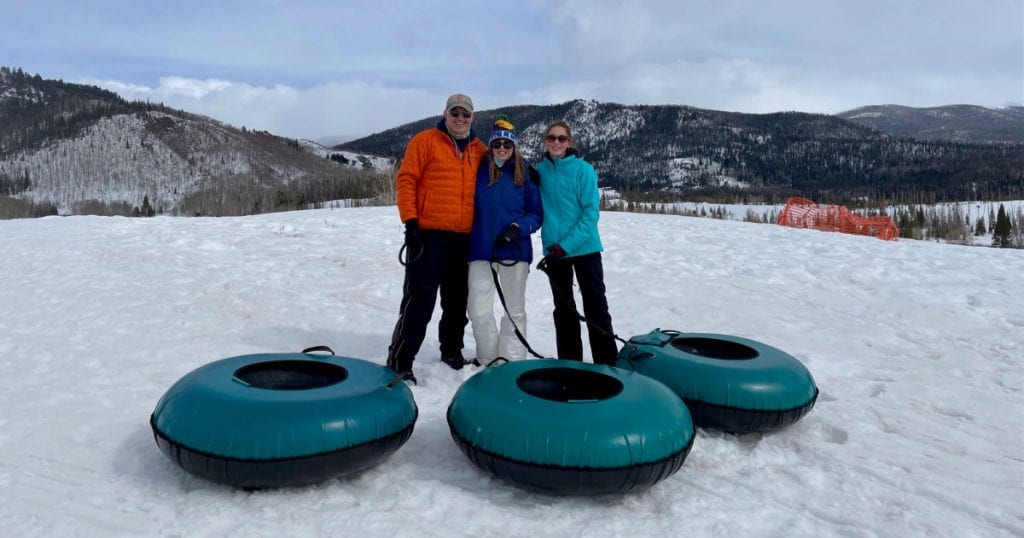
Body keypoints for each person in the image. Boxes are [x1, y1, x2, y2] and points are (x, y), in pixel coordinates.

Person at [385, 93, 488, 384]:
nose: (460, 118)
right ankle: (401, 360)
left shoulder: (480, 150)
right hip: (428, 235)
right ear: (445, 113)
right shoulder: (425, 141)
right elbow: (406, 180)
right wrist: (411, 222)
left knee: (456, 300)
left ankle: (452, 352)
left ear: (472, 117)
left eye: (465, 114)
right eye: (455, 113)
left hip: (463, 238)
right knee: (419, 300)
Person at [534, 120, 619, 365]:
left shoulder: (583, 170)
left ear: (569, 142)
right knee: (564, 311)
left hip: (585, 249)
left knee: (596, 308)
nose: (556, 142)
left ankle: (607, 365)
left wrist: (567, 245)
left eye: (561, 138)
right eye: (552, 138)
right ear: (545, 141)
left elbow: (591, 213)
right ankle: (570, 365)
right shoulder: (540, 171)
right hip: (555, 252)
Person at [467, 115, 543, 367]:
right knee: (478, 309)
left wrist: (517, 228)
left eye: (507, 145)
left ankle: (510, 360)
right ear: (491, 146)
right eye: (497, 143)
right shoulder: (478, 171)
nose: (501, 148)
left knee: (514, 310)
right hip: (480, 249)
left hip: (514, 250)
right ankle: (487, 357)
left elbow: (536, 214)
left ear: (514, 147)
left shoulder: (525, 175)